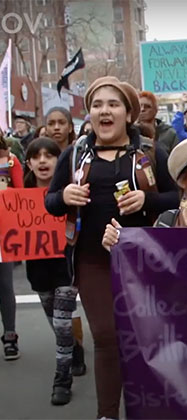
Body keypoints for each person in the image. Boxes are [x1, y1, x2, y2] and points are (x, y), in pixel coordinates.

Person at [45, 76, 179, 419]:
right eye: (97, 105)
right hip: (93, 261)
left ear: (128, 114)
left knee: (147, 339)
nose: (104, 111)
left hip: (145, 262)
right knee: (105, 337)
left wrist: (147, 199)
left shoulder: (151, 152)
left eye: (113, 104)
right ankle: (107, 414)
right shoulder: (75, 154)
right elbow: (51, 202)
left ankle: (152, 407)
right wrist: (64, 196)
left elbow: (178, 197)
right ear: (89, 114)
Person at [23, 137, 83, 405]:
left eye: (50, 155)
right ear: (29, 162)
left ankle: (62, 379)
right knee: (55, 321)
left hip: (67, 263)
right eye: (37, 156)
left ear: (60, 162)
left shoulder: (72, 190)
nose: (43, 161)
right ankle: (76, 350)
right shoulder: (17, 194)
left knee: (61, 322)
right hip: (38, 268)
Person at [0, 134, 23, 361]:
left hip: (2, 231)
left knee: (5, 285)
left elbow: (21, 194)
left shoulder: (9, 160)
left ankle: (10, 336)